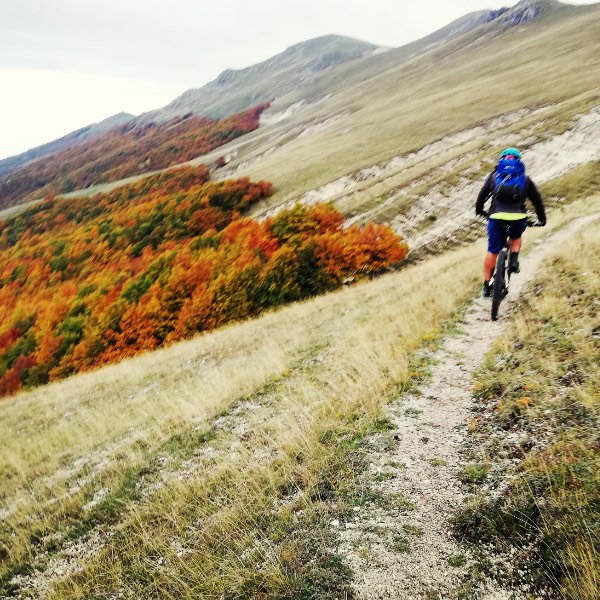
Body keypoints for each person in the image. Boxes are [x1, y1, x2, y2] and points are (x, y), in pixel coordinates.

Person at [476, 148, 546, 297]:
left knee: (492, 251)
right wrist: (541, 219)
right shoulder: (525, 179)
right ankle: (513, 260)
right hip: (517, 217)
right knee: (515, 236)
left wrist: (480, 211)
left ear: (501, 160)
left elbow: (481, 196)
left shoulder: (494, 177)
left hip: (496, 216)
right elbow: (537, 201)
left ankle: (486, 286)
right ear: (518, 161)